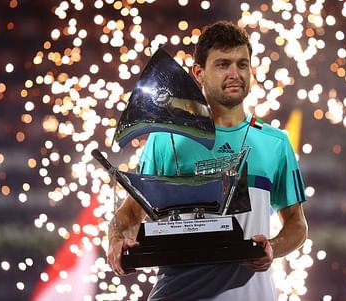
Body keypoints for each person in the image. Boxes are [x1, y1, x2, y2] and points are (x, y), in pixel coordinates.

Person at [107, 21, 308, 300]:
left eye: (242, 64)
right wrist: (116, 241)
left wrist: (273, 246)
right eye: (223, 64)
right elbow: (130, 213)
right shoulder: (166, 139)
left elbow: (297, 225)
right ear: (198, 72)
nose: (235, 74)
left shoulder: (275, 143)